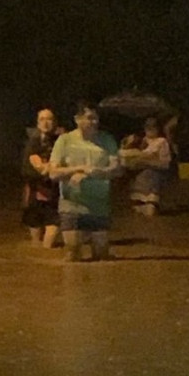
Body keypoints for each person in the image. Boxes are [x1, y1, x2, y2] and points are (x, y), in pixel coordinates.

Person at [48, 101, 120, 262]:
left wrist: (94, 172)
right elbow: (53, 173)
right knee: (72, 256)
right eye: (89, 118)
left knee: (102, 257)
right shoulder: (64, 140)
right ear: (77, 119)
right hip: (72, 205)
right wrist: (78, 169)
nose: (93, 122)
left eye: (96, 118)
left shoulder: (107, 139)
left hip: (99, 205)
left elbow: (117, 169)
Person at [21, 108, 63, 248]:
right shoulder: (32, 142)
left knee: (48, 242)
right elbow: (28, 167)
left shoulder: (62, 141)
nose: (46, 123)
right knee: (35, 241)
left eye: (49, 119)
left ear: (55, 122)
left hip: (55, 192)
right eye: (42, 119)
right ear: (37, 123)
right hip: (35, 191)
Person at [119, 116, 172, 216]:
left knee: (151, 214)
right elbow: (126, 161)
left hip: (153, 185)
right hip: (137, 185)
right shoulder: (138, 141)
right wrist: (126, 144)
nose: (150, 128)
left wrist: (146, 162)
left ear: (158, 128)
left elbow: (165, 164)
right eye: (147, 126)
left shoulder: (162, 142)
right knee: (137, 218)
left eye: (153, 126)